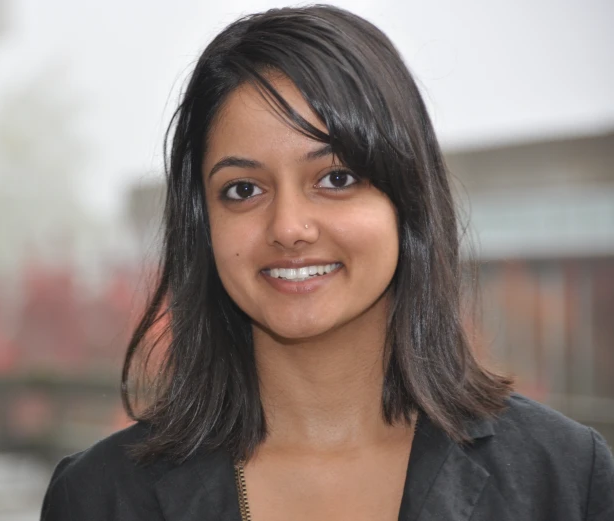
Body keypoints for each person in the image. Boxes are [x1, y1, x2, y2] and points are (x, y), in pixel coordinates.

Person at [40, 5, 614, 520]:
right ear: (203, 227)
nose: (289, 228)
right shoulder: (100, 498)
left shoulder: (564, 479)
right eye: (243, 190)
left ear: (405, 200)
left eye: (336, 178)